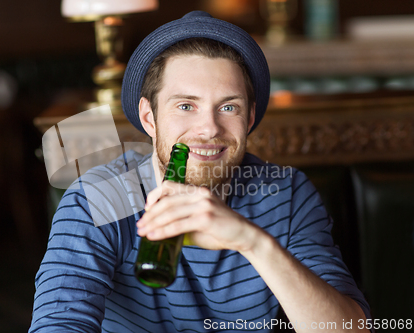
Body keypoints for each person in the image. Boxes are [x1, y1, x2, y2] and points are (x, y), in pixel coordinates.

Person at [29, 11, 371, 333]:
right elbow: (58, 322)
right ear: (150, 118)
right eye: (185, 105)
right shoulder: (99, 198)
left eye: (228, 107)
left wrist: (252, 242)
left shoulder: (286, 192)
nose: (208, 128)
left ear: (249, 118)